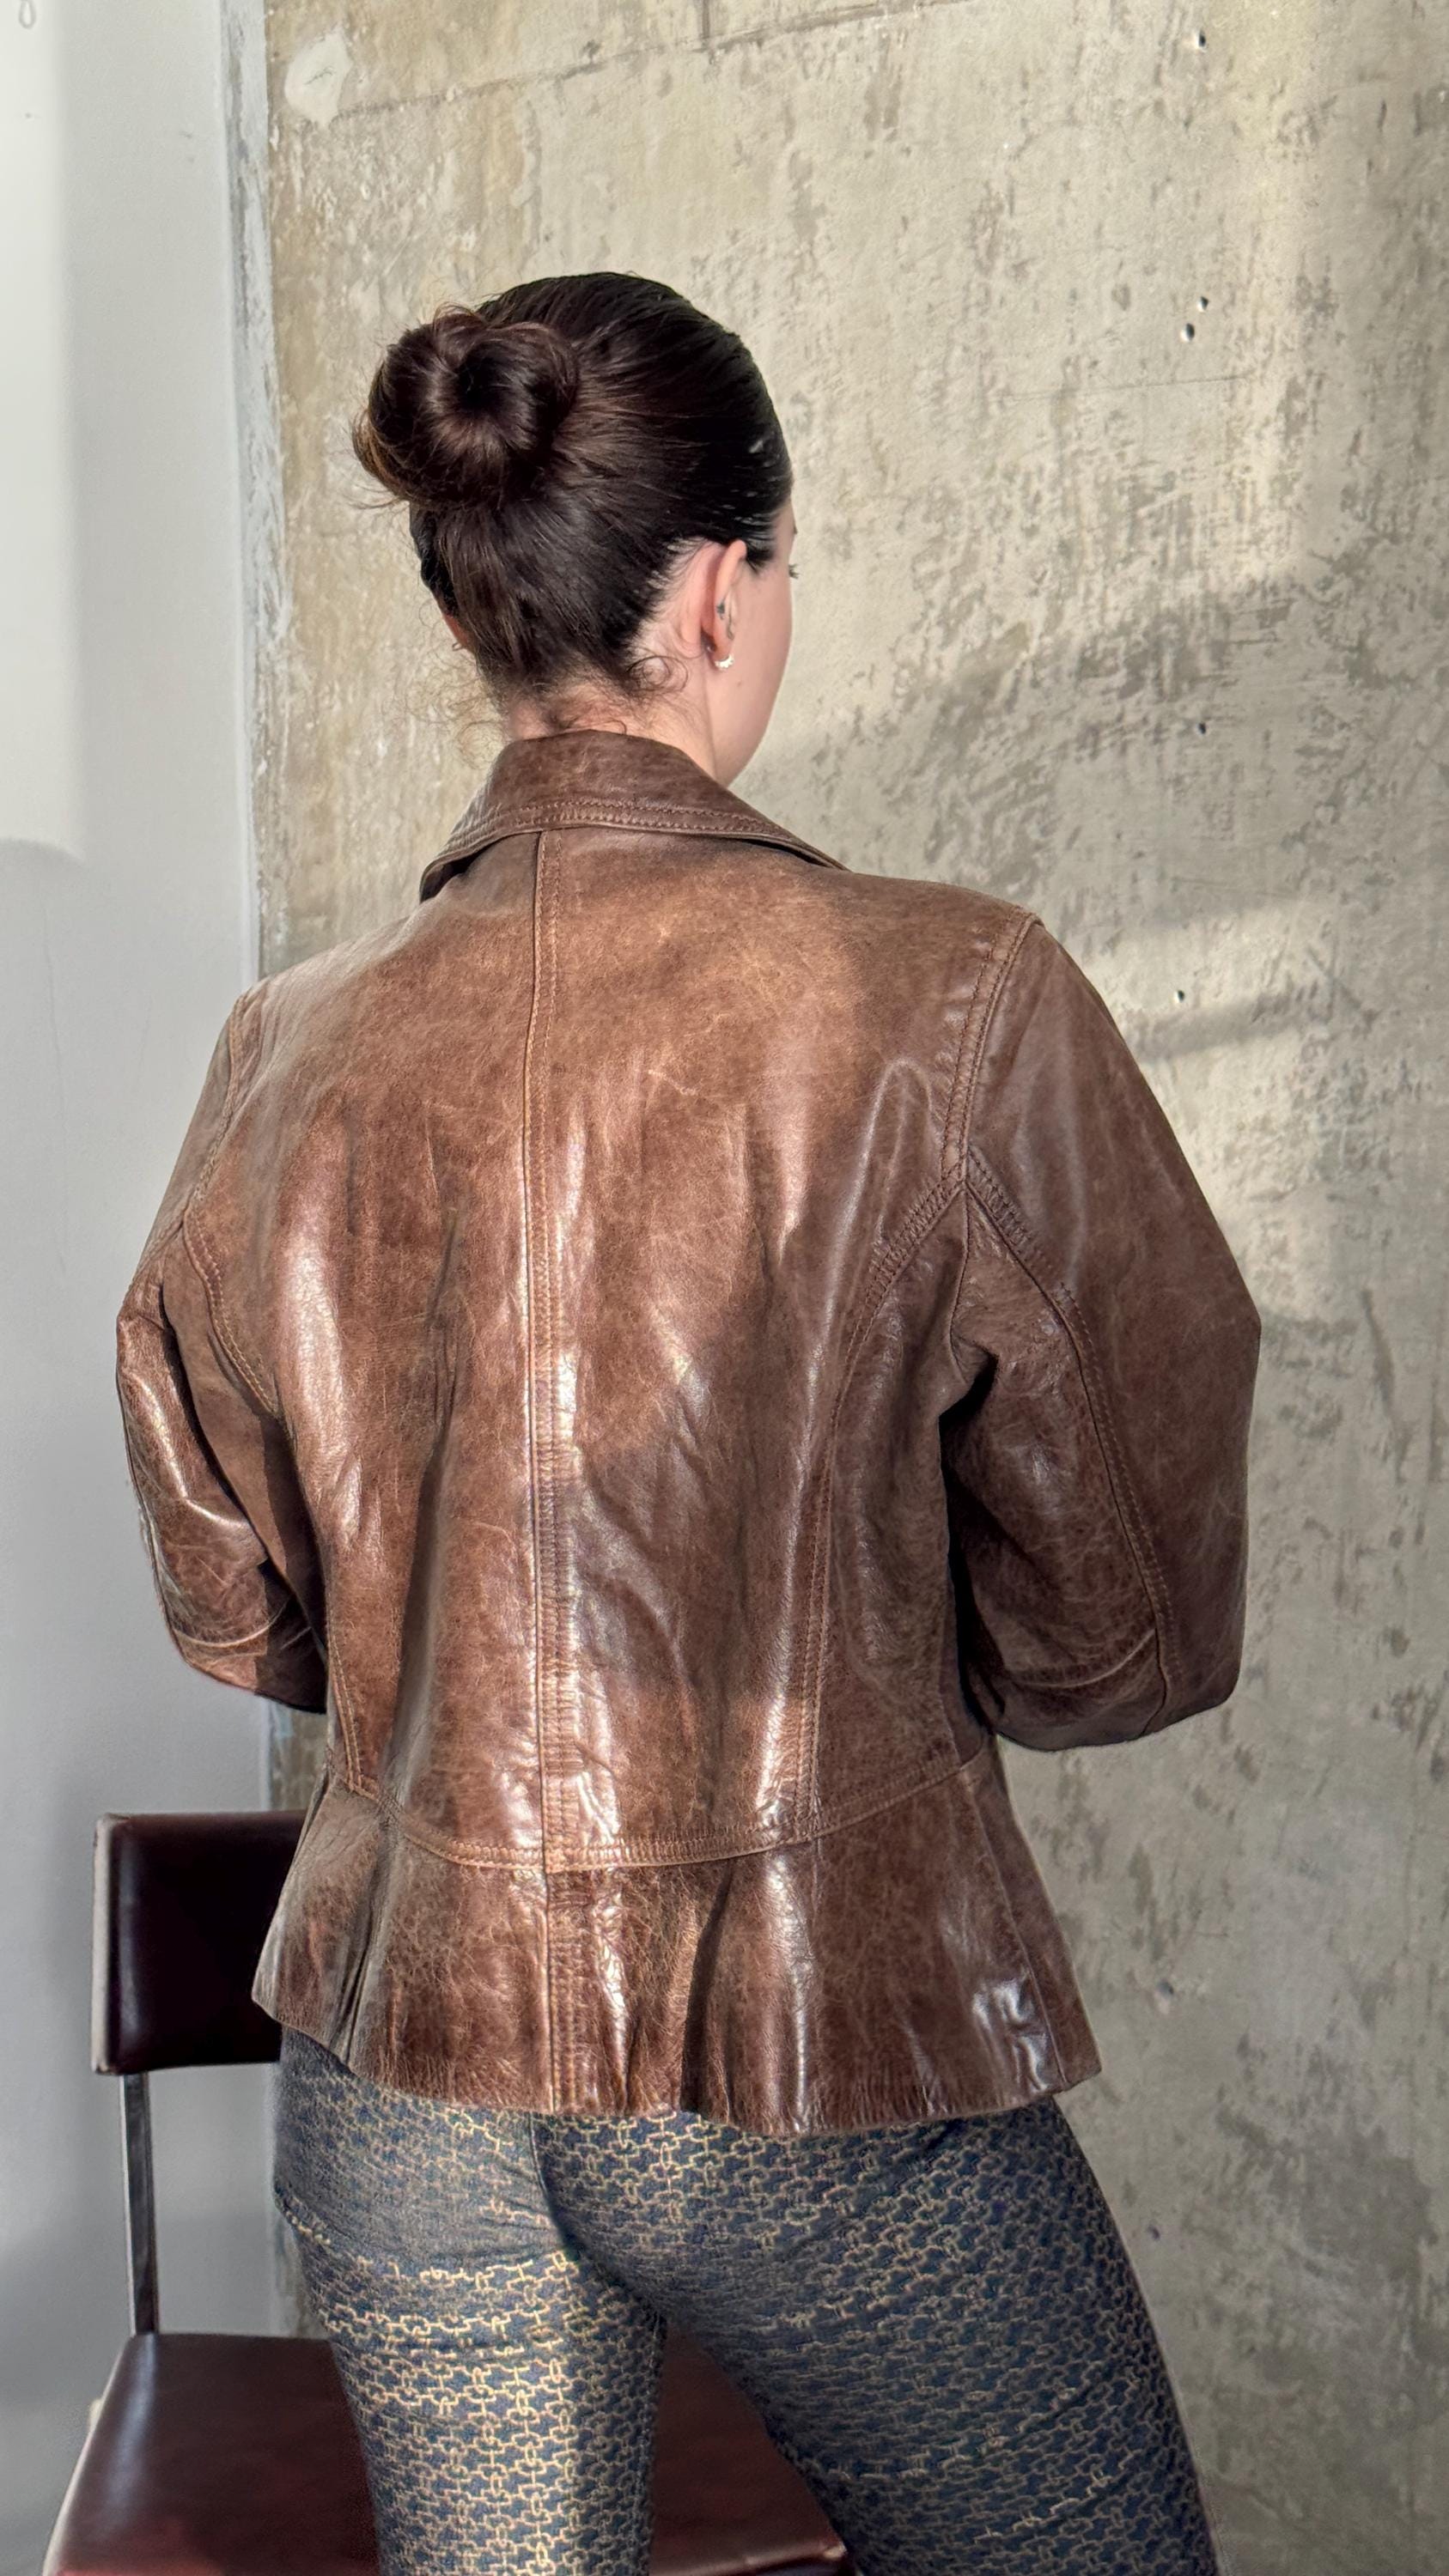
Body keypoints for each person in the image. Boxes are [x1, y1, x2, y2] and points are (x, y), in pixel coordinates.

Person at [114, 270, 1260, 2575]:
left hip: (399, 2052)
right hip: (804, 2047)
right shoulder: (954, 995)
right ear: (719, 588)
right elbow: (1127, 1636)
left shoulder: (287, 1047)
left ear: (488, 609)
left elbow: (236, 1611)